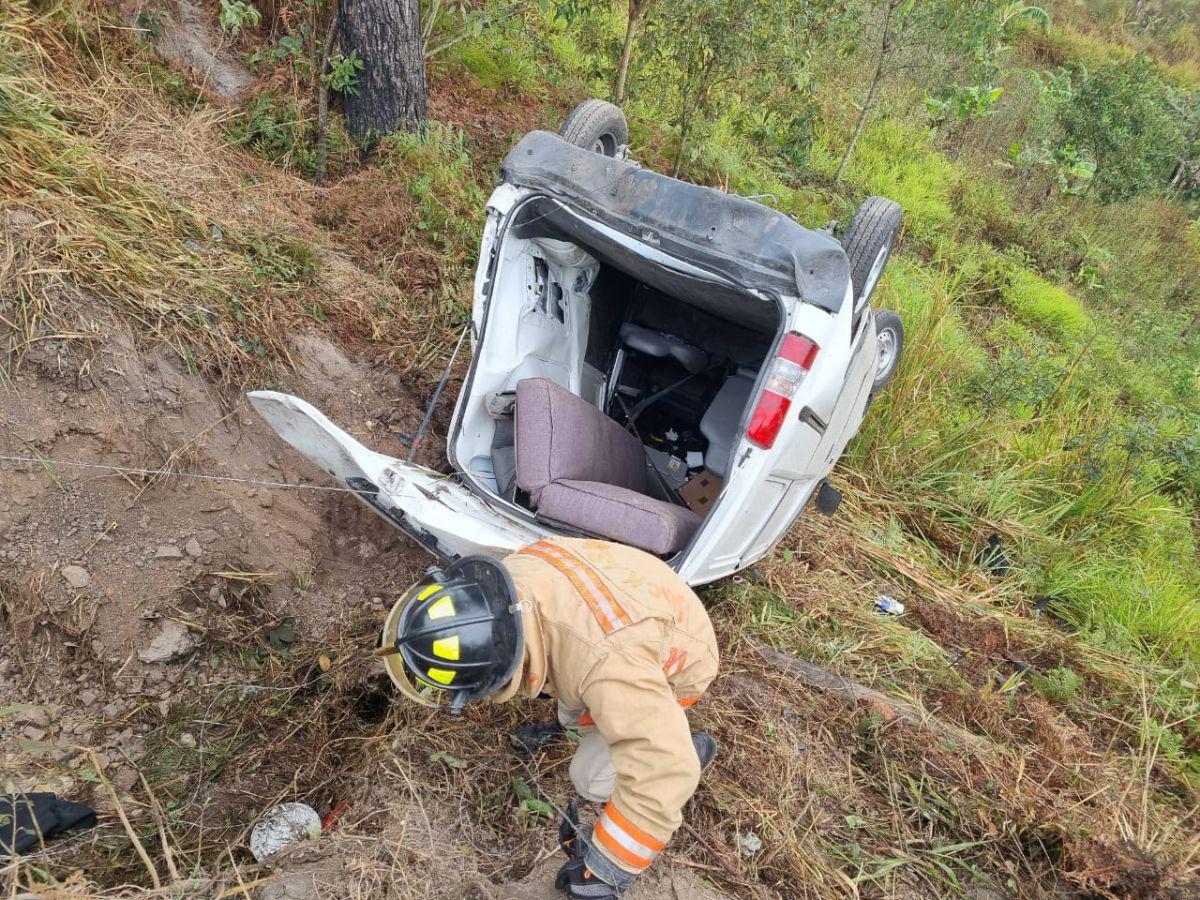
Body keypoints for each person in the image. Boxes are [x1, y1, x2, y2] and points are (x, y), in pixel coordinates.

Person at [376, 537, 720, 898]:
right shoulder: (510, 577)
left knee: (589, 778)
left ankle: (690, 749)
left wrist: (604, 868)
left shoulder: (603, 664)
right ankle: (577, 722)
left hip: (679, 659)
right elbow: (572, 648)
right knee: (579, 689)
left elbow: (663, 767)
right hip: (640, 603)